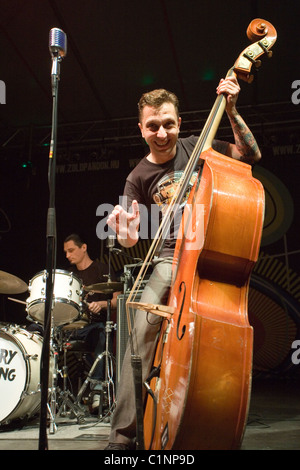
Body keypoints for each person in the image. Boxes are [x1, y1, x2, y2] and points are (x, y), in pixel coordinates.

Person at [105, 76, 261, 450]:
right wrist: (124, 228)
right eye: (153, 126)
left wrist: (233, 110)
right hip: (168, 260)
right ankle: (123, 437)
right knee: (139, 338)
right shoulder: (137, 178)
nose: (162, 133)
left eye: (169, 123)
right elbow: (128, 238)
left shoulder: (200, 146)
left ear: (179, 122)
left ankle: (210, 416)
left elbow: (250, 155)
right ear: (141, 129)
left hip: (211, 253)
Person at [63, 233, 121, 412]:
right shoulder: (70, 276)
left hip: (94, 327)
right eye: (65, 252)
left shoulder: (102, 269)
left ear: (84, 247)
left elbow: (116, 300)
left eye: (71, 250)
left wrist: (102, 304)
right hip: (73, 326)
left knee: (102, 333)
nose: (67, 255)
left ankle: (97, 390)